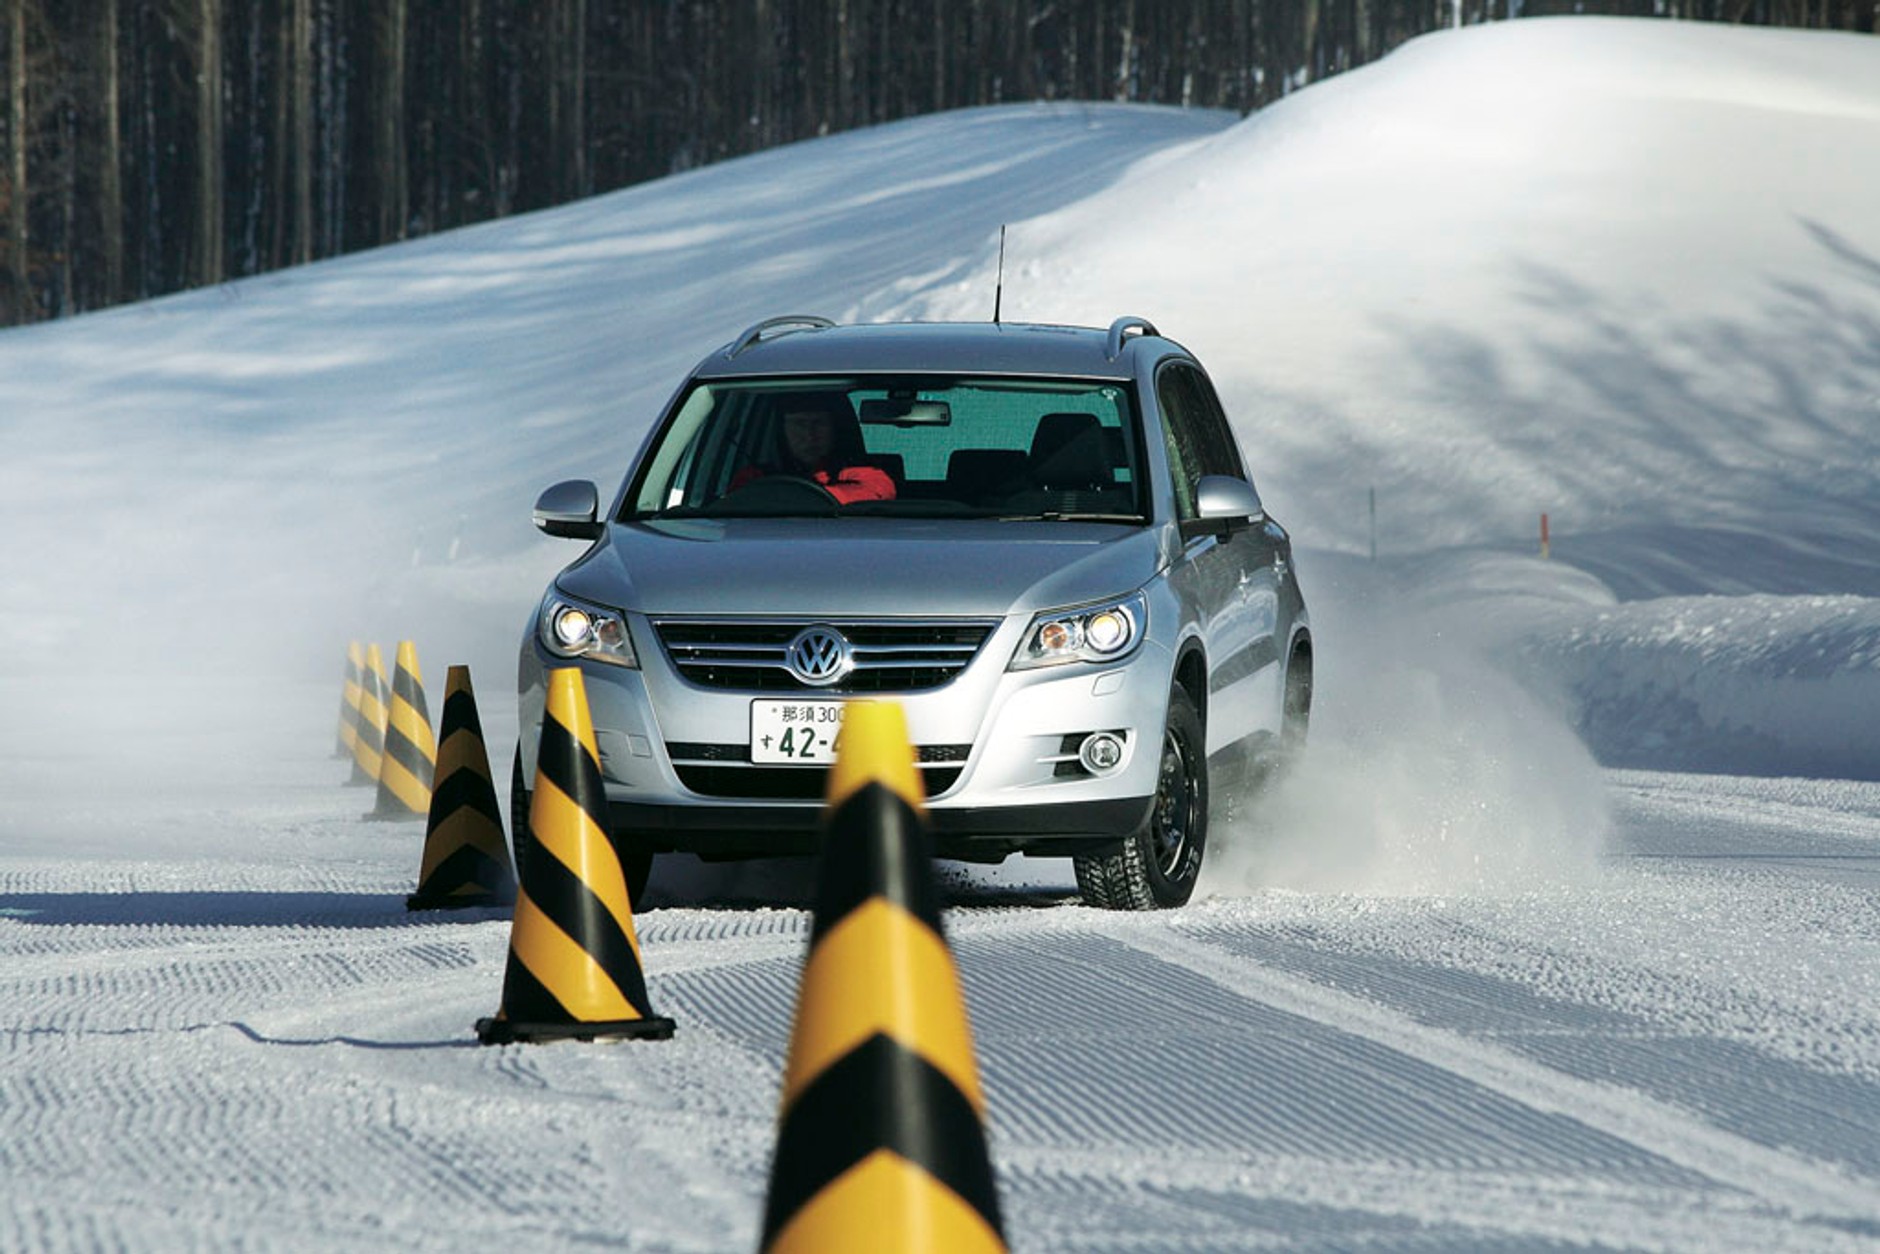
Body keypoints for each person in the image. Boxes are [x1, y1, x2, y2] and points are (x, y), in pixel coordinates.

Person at [729, 394, 896, 504]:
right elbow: (733, 505)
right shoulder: (753, 478)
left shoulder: (865, 475)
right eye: (799, 424)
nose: (809, 435)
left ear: (835, 429)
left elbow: (880, 491)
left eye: (819, 423)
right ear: (782, 430)